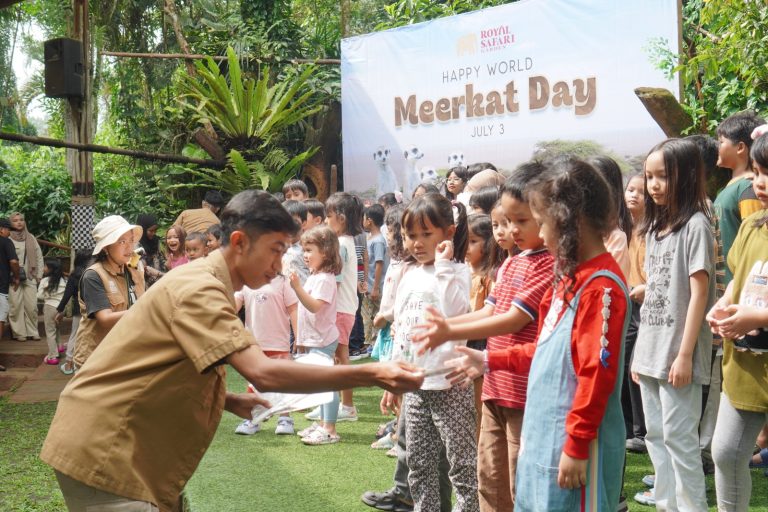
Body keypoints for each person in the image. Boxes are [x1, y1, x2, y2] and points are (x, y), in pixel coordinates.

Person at [40, 190, 424, 511]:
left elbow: (158, 362)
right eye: (275, 251)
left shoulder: (207, 281)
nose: (279, 266)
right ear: (239, 242)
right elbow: (264, 372)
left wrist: (227, 400)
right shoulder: (200, 288)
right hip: (105, 447)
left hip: (121, 444)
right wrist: (373, 373)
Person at [435, 157, 631, 511]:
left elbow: (595, 375)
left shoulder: (601, 285)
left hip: (572, 447)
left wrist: (577, 444)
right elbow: (548, 350)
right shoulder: (568, 277)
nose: (539, 234)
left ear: (568, 221)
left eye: (541, 222)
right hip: (545, 440)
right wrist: (489, 359)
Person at [415, 165, 553, 510]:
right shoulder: (511, 264)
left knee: (522, 481)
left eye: (520, 221)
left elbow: (513, 320)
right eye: (504, 222)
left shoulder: (547, 264)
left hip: (524, 393)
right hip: (495, 387)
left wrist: (449, 330)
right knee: (489, 477)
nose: (511, 230)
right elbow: (490, 310)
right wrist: (448, 327)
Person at [631, 138, 715, 511]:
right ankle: (666, 503)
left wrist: (684, 355)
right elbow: (655, 294)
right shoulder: (653, 229)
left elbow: (700, 294)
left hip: (679, 355)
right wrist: (639, 353)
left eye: (662, 176)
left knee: (680, 441)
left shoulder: (696, 226)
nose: (654, 185)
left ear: (686, 175)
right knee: (656, 437)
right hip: (650, 352)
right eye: (649, 176)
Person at [383, 192, 478, 512]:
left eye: (426, 234)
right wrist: (394, 375)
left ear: (448, 232)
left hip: (449, 383)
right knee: (419, 465)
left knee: (462, 465)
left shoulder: (458, 270)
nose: (417, 243)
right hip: (415, 384)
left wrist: (443, 266)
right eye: (410, 235)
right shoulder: (408, 274)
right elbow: (402, 329)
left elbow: (456, 312)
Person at [707, 132, 768, 511]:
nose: (759, 182)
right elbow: (738, 279)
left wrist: (756, 316)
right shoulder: (752, 225)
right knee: (727, 452)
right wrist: (723, 305)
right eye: (758, 172)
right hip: (746, 364)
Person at [308, 192, 362, 422]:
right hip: (343, 308)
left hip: (339, 309)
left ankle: (346, 407)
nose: (326, 220)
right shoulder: (346, 243)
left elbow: (334, 282)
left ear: (341, 218)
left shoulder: (341, 245)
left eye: (328, 216)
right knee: (335, 358)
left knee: (338, 359)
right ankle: (330, 405)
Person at [289, 225, 344, 445]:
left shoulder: (325, 279)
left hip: (323, 339)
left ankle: (329, 429)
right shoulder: (315, 276)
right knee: (320, 384)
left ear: (326, 252)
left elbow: (313, 307)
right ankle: (323, 424)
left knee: (326, 385)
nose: (305, 255)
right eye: (304, 250)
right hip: (316, 338)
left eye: (310, 250)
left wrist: (296, 287)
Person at [71, 215, 146, 370]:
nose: (129, 247)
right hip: (95, 360)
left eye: (131, 240)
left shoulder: (134, 270)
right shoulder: (93, 275)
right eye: (122, 241)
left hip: (122, 356)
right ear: (106, 247)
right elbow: (105, 319)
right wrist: (147, 309)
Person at [233, 272, 298, 436]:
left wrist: (299, 336)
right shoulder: (246, 280)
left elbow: (293, 309)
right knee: (253, 381)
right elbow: (234, 305)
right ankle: (252, 418)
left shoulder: (283, 281)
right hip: (253, 342)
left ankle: (285, 418)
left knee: (281, 381)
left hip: (278, 341)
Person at [622, 172, 648, 453]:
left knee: (636, 366)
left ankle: (642, 432)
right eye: (630, 189)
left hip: (645, 301)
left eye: (640, 191)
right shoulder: (624, 227)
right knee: (625, 362)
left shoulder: (653, 229)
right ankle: (631, 428)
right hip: (628, 301)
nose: (634, 195)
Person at [8, 212, 43, 341]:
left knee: (32, 306)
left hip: (30, 276)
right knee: (15, 306)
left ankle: (33, 331)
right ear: (10, 223)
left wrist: (39, 274)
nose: (19, 222)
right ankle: (19, 333)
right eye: (15, 220)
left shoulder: (30, 237)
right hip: (13, 277)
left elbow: (39, 257)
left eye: (21, 220)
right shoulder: (7, 239)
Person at [55, 251, 91, 375]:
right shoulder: (93, 273)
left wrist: (59, 310)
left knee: (75, 335)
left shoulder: (75, 275)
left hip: (79, 309)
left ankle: (69, 364)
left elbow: (67, 295)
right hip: (94, 309)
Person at [362, 204, 389, 347]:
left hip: (375, 286)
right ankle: (369, 342)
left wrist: (375, 288)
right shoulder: (371, 238)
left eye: (364, 218)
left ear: (369, 221)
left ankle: (372, 342)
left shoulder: (378, 241)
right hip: (369, 285)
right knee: (367, 314)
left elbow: (379, 264)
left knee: (375, 314)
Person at [37, 258, 68, 365]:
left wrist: (46, 295)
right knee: (56, 327)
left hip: (50, 307)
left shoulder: (45, 281)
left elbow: (39, 296)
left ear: (50, 269)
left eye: (45, 266)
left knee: (50, 332)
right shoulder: (64, 280)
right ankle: (59, 347)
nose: (43, 268)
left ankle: (53, 356)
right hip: (61, 309)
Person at [0, 217, 20, 370]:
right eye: (8, 230)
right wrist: (17, 277)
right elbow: (14, 262)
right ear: (2, 229)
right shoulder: (6, 242)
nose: (9, 233)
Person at [136, 213, 165, 287]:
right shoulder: (136, 245)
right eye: (151, 231)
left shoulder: (156, 241)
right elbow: (143, 268)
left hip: (160, 279)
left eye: (155, 230)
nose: (153, 233)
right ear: (143, 229)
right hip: (145, 283)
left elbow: (161, 258)